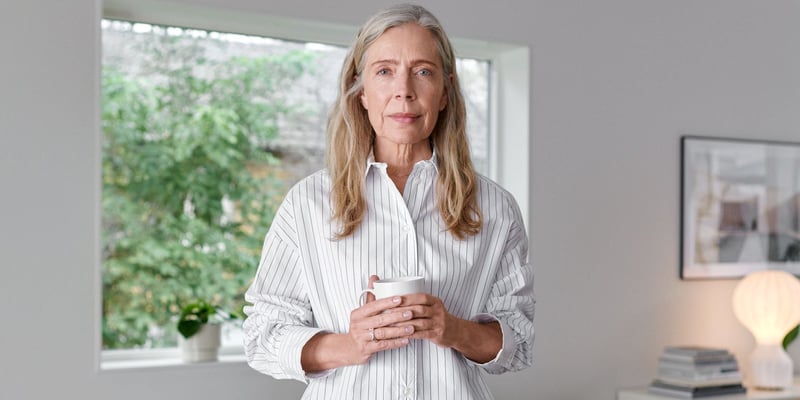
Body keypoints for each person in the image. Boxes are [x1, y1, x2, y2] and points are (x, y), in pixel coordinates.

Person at [242, 4, 535, 399]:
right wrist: (351, 344)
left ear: (445, 91)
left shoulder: (494, 208)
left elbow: (519, 342)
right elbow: (264, 336)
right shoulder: (308, 203)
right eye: (384, 71)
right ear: (361, 90)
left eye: (422, 71)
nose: (404, 90)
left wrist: (451, 329)